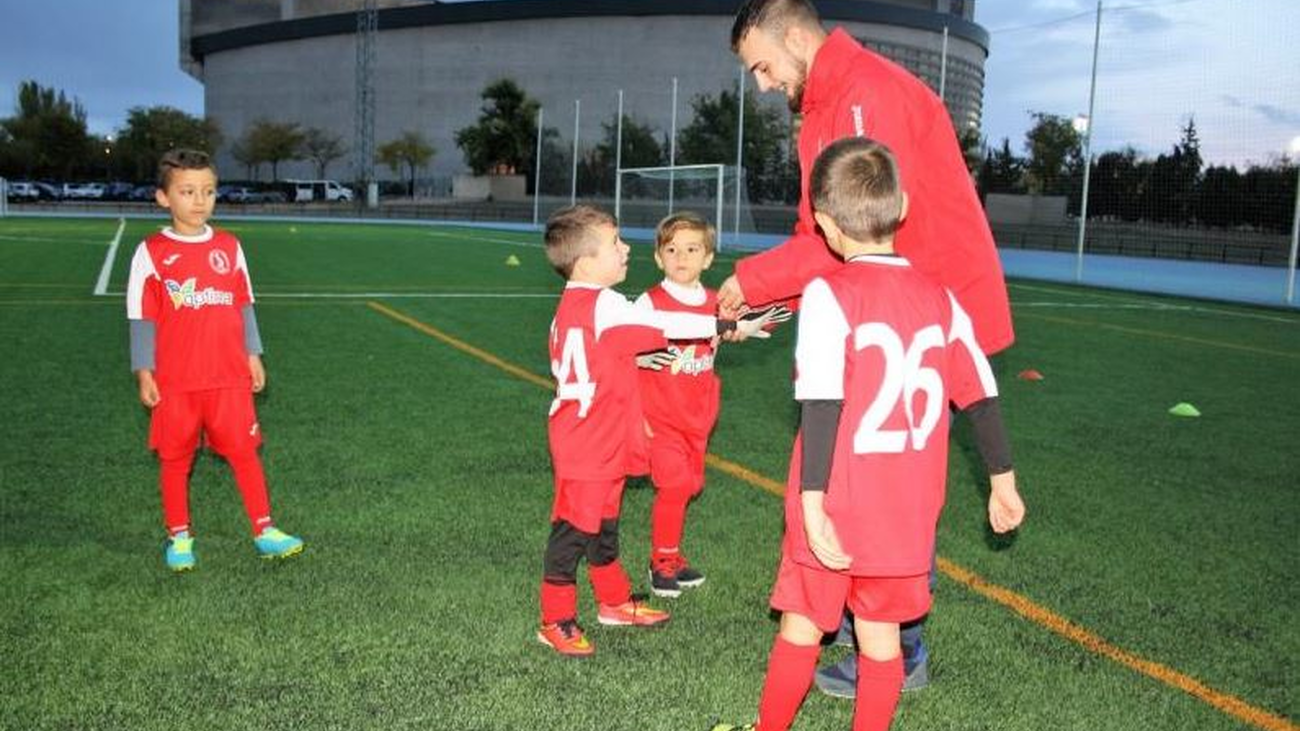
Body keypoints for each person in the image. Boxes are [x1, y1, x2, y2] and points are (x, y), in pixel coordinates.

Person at [723, 0, 1017, 694]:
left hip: (922, 316)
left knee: (890, 482)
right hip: (887, 311)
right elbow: (824, 239)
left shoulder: (864, 100)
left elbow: (849, 239)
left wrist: (749, 281)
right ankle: (880, 635)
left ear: (796, 37)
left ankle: (896, 645)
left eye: (762, 66)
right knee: (882, 477)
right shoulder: (829, 101)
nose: (763, 84)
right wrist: (767, 299)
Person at [538, 205, 782, 656]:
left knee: (604, 524)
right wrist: (725, 324)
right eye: (615, 243)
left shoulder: (583, 304)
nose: (625, 247)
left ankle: (613, 602)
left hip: (601, 433)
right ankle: (555, 618)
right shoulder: (605, 305)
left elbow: (632, 340)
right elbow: (665, 323)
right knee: (574, 530)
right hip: (587, 439)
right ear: (587, 262)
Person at [126, 148, 304, 572]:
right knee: (175, 459)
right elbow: (140, 316)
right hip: (176, 380)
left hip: (228, 376)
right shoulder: (150, 252)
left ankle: (265, 530)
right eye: (187, 191)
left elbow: (244, 305)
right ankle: (180, 538)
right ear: (163, 198)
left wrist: (253, 355)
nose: (199, 200)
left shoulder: (229, 246)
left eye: (208, 190)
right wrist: (143, 371)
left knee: (245, 452)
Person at [634, 213, 792, 598]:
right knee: (674, 483)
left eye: (692, 249)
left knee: (690, 484)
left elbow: (755, 324)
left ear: (708, 259)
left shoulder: (714, 303)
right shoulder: (649, 302)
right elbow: (622, 347)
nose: (681, 257)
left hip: (698, 415)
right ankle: (661, 562)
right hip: (659, 415)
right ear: (658, 258)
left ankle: (672, 553)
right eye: (671, 249)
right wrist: (635, 374)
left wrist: (772, 308)